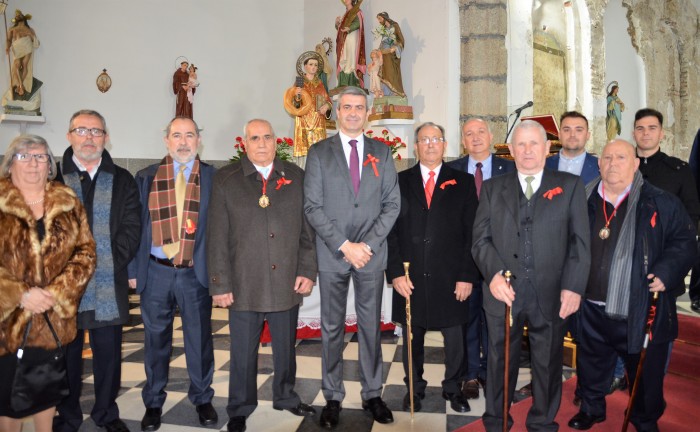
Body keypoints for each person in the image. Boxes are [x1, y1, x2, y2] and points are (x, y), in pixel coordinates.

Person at [568, 140, 696, 431]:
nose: (613, 163)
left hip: (639, 306)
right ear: (599, 163)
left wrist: (667, 271)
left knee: (645, 373)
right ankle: (591, 408)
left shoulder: (660, 202)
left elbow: (685, 242)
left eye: (621, 157)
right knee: (590, 364)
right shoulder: (582, 199)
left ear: (635, 163)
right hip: (590, 304)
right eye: (607, 157)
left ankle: (644, 418)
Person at [472, 120, 591, 431]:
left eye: (533, 144)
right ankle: (497, 419)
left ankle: (541, 421)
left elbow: (580, 243)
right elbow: (480, 240)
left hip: (551, 292)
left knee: (548, 361)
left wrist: (573, 288)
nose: (527, 150)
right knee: (499, 360)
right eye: (520, 145)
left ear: (547, 148)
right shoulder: (492, 188)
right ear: (510, 150)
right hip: (503, 293)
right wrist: (495, 275)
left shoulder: (569, 186)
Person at [208, 119, 318, 432]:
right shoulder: (226, 179)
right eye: (254, 138)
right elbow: (216, 235)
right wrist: (220, 283)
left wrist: (308, 271)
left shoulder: (296, 176)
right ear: (244, 142)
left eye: (267, 137)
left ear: (275, 142)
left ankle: (285, 395)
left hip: (287, 280)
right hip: (243, 283)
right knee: (242, 351)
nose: (261, 143)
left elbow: (307, 232)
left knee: (286, 347)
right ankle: (240, 407)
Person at [304, 85, 400, 428]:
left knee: (371, 327)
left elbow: (391, 205)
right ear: (337, 111)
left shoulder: (383, 152)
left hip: (371, 256)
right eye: (347, 107)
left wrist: (367, 246)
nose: (354, 112)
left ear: (367, 111)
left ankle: (373, 393)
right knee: (331, 328)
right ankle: (332, 396)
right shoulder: (319, 153)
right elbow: (313, 207)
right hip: (333, 253)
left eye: (360, 107)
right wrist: (345, 245)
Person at [51, 111, 141, 432]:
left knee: (109, 356)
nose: (89, 137)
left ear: (106, 137)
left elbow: (132, 228)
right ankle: (68, 415)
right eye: (82, 130)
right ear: (69, 135)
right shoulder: (54, 181)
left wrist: (100, 262)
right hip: (64, 285)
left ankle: (106, 413)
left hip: (107, 281)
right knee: (66, 357)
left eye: (96, 131)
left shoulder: (122, 179)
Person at [0, 135, 96, 432]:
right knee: (8, 401)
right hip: (8, 321)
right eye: (24, 157)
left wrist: (55, 293)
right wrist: (20, 294)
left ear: (50, 164)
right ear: (10, 163)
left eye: (41, 157)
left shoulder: (67, 201)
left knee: (46, 395)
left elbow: (86, 252)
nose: (33, 164)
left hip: (53, 320)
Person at [128, 117, 217, 431]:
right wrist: (132, 270)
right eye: (176, 135)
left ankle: (203, 397)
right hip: (156, 272)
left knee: (200, 339)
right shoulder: (146, 177)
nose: (183, 141)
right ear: (166, 140)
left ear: (198, 140)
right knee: (155, 341)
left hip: (195, 273)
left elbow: (222, 231)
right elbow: (134, 227)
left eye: (189, 135)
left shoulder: (213, 179)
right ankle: (153, 401)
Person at [387, 122, 478, 413]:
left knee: (455, 339)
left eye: (435, 139)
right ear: (415, 147)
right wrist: (396, 274)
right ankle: (414, 387)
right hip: (409, 277)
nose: (429, 144)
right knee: (412, 338)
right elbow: (389, 232)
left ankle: (454, 388)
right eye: (424, 140)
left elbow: (472, 233)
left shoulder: (462, 182)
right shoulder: (399, 181)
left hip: (451, 277)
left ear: (445, 145)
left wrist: (467, 276)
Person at [448, 117, 514, 400]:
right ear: (462, 140)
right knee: (468, 318)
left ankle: (491, 373)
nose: (475, 137)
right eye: (468, 134)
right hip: (463, 258)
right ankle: (471, 374)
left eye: (480, 132)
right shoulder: (451, 170)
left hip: (498, 259)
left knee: (495, 320)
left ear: (491, 136)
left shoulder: (509, 169)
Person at [284, 52, 332, 158]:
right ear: (305, 67)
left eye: (315, 65)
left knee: (319, 152)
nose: (313, 67)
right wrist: (297, 96)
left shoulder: (320, 83)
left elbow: (328, 100)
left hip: (318, 120)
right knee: (305, 155)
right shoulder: (300, 82)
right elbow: (294, 104)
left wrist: (327, 106)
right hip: (304, 120)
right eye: (311, 64)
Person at [545, 111, 599, 185]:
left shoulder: (600, 167)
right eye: (567, 130)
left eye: (579, 130)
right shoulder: (544, 165)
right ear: (559, 135)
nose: (572, 135)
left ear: (588, 135)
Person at [5, 10, 39, 98]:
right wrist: (7, 47)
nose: (17, 16)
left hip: (27, 47)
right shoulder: (12, 29)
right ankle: (21, 85)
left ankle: (20, 86)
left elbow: (35, 40)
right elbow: (8, 40)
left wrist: (30, 35)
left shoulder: (29, 29)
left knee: (24, 65)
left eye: (19, 15)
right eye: (16, 15)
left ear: (24, 17)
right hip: (17, 48)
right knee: (17, 65)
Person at [335, 0, 366, 89]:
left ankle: (352, 80)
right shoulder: (345, 14)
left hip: (352, 36)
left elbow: (358, 23)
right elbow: (341, 28)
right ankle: (343, 80)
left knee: (351, 55)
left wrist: (349, 28)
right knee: (343, 55)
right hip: (344, 38)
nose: (345, 0)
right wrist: (337, 23)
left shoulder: (357, 11)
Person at [375, 12, 405, 98]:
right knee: (384, 73)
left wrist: (395, 48)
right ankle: (386, 93)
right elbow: (383, 41)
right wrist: (379, 50)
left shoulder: (395, 26)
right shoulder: (384, 29)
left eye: (380, 19)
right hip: (384, 54)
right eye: (378, 19)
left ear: (385, 18)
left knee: (391, 72)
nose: (379, 21)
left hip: (391, 54)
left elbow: (401, 40)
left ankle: (394, 92)